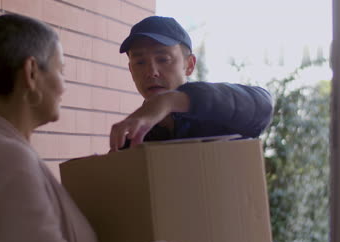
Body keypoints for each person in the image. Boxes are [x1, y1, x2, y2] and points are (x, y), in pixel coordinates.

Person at [0, 14, 202, 242]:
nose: (63, 86)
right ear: (31, 73)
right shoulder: (3, 158)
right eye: (61, 70)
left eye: (162, 58)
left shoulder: (2, 150)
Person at [109, 16, 273, 151]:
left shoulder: (217, 114)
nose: (151, 72)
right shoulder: (132, 141)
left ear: (189, 65)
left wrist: (169, 101)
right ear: (131, 69)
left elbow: (264, 106)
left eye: (163, 59)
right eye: (140, 62)